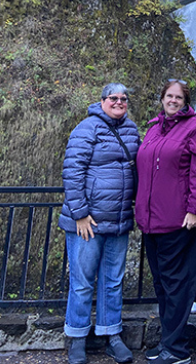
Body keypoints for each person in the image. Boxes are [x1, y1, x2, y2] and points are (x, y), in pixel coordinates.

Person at [58, 83, 140, 364]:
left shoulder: (131, 130)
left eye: (123, 99)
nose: (119, 102)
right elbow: (72, 170)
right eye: (113, 98)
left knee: (112, 282)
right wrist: (79, 213)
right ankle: (77, 338)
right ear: (102, 101)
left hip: (118, 221)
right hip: (88, 222)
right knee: (82, 283)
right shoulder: (87, 128)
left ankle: (111, 335)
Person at [136, 79, 196, 364]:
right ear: (162, 98)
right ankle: (168, 341)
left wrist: (195, 209)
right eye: (168, 95)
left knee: (177, 284)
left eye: (178, 97)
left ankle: (178, 350)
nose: (172, 100)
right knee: (161, 284)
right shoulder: (154, 129)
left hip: (178, 220)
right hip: (150, 221)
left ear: (186, 100)